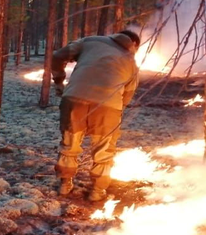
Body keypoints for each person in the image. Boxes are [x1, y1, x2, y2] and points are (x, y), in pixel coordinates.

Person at [52, 30, 140, 202]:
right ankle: (97, 191)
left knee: (69, 144)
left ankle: (64, 185)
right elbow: (127, 97)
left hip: (74, 99)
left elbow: (57, 56)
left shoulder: (89, 41)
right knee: (104, 151)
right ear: (134, 44)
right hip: (108, 107)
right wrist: (112, 111)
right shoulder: (131, 63)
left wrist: (59, 80)